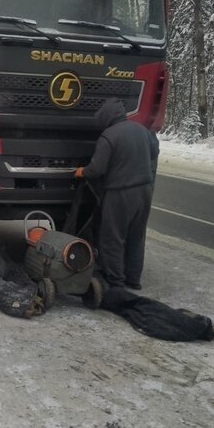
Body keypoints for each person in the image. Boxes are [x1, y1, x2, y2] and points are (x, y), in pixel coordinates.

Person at [75, 98, 159, 290]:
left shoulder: (109, 135)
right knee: (136, 236)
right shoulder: (141, 130)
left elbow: (97, 169)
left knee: (112, 237)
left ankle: (115, 281)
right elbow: (154, 153)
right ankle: (133, 279)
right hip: (145, 191)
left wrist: (82, 171)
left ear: (107, 117)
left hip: (120, 193)